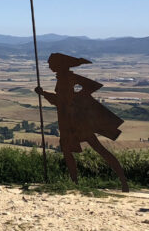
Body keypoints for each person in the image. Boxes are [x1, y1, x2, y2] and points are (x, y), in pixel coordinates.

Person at [36, 52, 128, 192]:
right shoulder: (62, 78)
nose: (49, 66)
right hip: (67, 121)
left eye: (51, 63)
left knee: (98, 149)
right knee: (71, 150)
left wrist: (76, 99)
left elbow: (91, 86)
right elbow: (60, 101)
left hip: (75, 122)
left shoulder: (69, 77)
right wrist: (44, 94)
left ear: (59, 64)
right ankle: (75, 183)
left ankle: (122, 181)